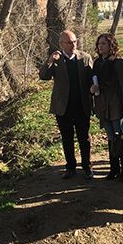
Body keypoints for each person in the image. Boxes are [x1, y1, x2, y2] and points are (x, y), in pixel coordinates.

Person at [39, 30, 95, 180]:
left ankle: (87, 167)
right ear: (61, 44)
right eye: (69, 42)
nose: (73, 45)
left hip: (82, 105)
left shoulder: (85, 57)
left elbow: (92, 79)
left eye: (75, 41)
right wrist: (50, 60)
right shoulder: (56, 59)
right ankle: (70, 167)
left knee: (84, 138)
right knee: (67, 138)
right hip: (63, 107)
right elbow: (44, 76)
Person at [90, 33, 123, 181]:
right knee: (110, 138)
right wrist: (92, 89)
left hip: (116, 104)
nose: (100, 46)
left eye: (104, 44)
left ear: (111, 45)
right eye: (99, 44)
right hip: (102, 104)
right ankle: (114, 168)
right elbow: (93, 81)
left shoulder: (119, 62)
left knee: (121, 136)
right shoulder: (97, 62)